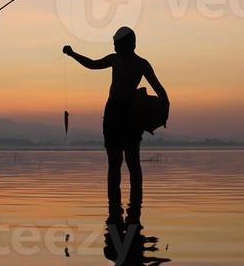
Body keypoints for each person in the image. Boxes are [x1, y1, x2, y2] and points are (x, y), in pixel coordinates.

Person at [63, 26, 169, 203]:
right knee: (114, 163)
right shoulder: (114, 59)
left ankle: (135, 209)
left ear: (131, 45)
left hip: (131, 115)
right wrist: (73, 54)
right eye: (114, 46)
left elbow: (161, 93)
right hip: (112, 113)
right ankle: (114, 210)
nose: (115, 49)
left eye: (118, 46)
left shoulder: (142, 64)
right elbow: (92, 64)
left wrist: (161, 113)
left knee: (133, 162)